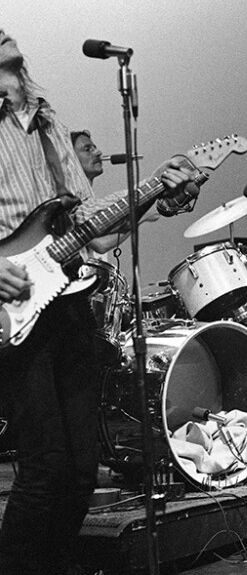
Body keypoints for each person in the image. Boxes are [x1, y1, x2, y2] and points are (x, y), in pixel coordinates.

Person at [0, 28, 195, 575]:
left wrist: (160, 193)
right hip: (12, 309)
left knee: (83, 469)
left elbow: (92, 228)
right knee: (44, 466)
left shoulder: (49, 123)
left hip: (68, 304)